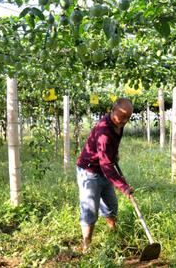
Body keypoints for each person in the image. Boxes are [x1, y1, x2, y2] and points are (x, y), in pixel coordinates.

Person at [76, 98, 134, 252]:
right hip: (90, 171)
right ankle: (86, 245)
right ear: (112, 110)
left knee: (111, 206)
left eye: (128, 117)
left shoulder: (118, 125)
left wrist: (114, 154)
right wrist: (123, 186)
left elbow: (109, 156)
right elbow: (106, 165)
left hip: (103, 170)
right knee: (90, 209)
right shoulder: (104, 132)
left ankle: (112, 235)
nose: (124, 120)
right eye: (122, 116)